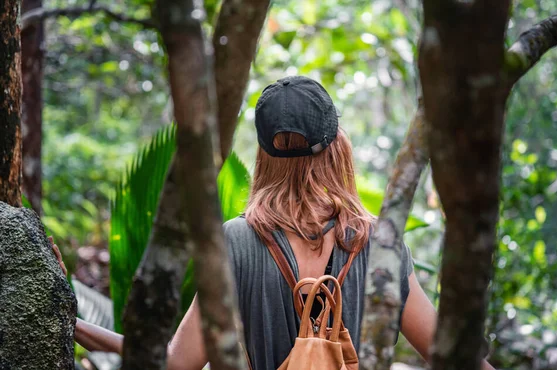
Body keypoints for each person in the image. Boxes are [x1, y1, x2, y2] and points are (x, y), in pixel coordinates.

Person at [53, 76, 495, 370]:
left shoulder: (238, 241)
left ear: (263, 155)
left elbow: (172, 364)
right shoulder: (381, 241)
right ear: (337, 146)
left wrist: (71, 320)